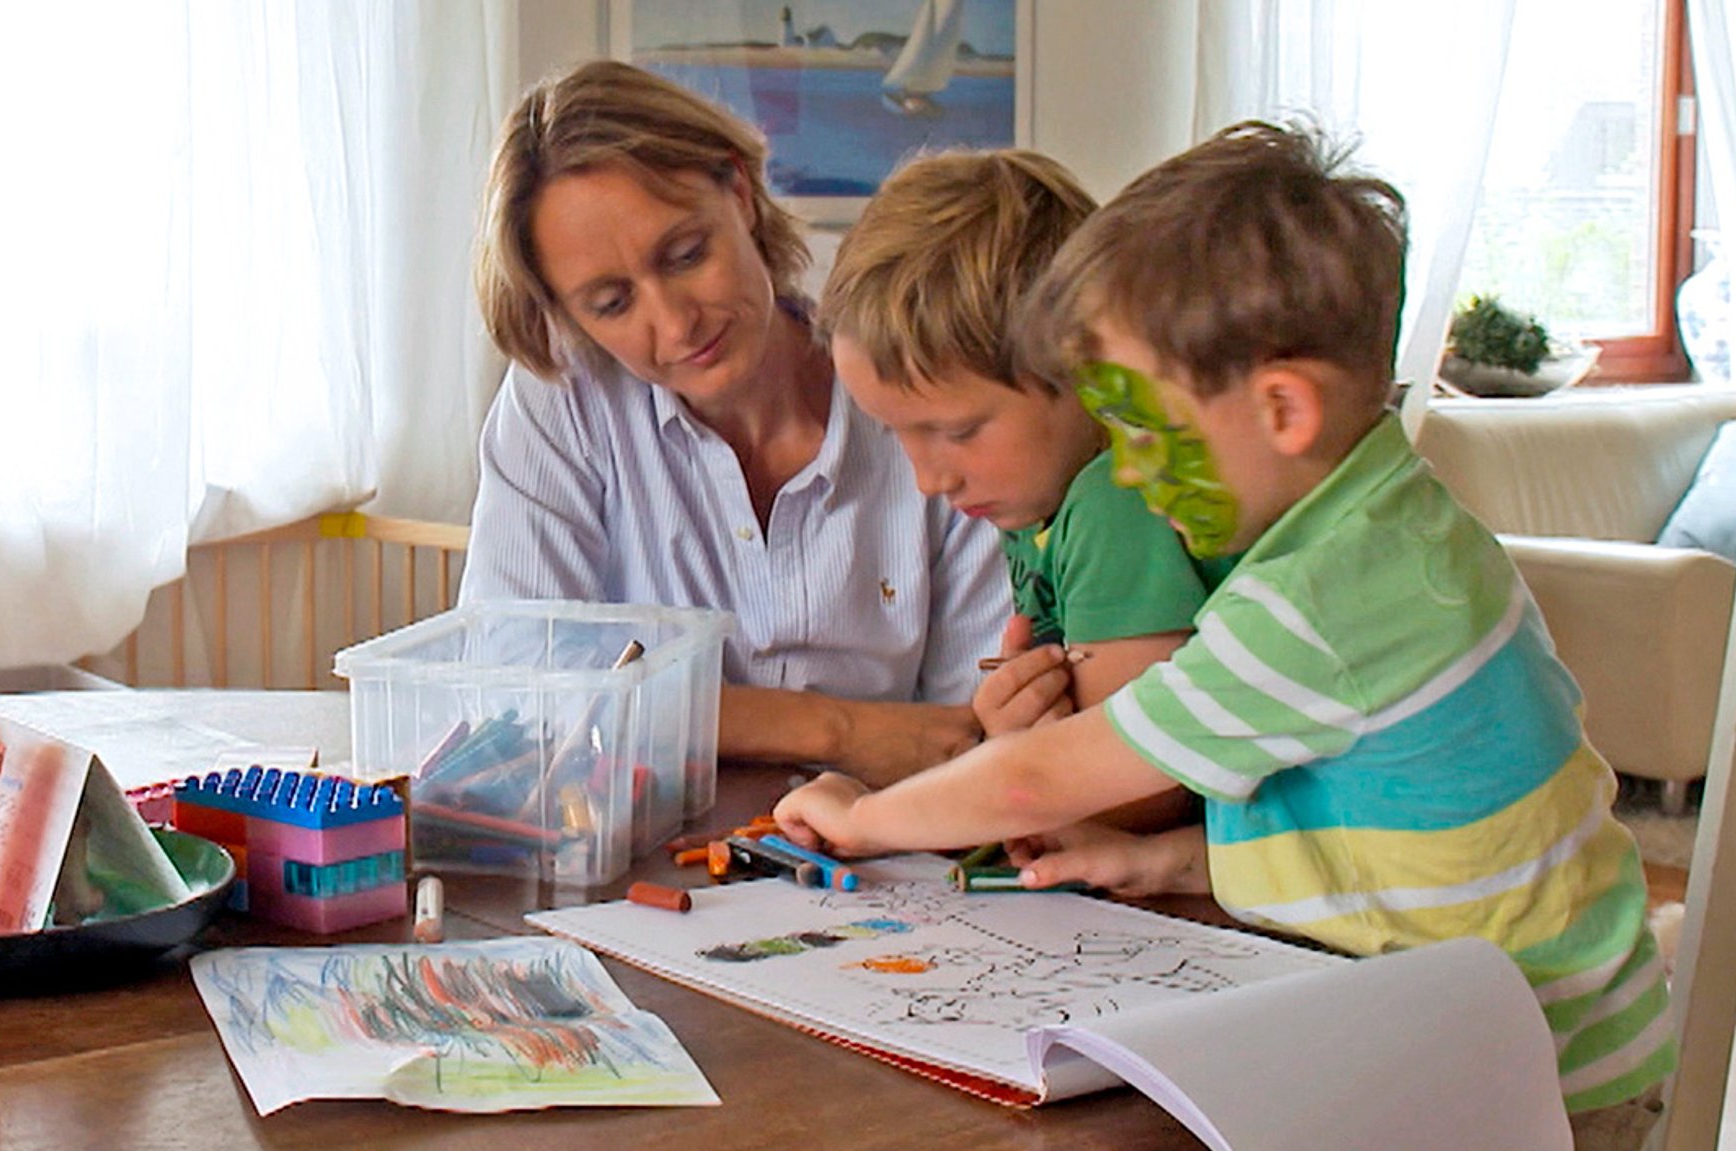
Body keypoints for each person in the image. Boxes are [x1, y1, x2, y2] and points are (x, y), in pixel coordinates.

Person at [774, 121, 1675, 1141]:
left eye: (1145, 429)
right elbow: (1391, 818)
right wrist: (1172, 866)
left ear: (1281, 408)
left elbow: (1044, 775)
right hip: (1521, 1019)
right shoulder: (1383, 528)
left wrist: (866, 818)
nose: (1128, 471)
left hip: (1533, 1077)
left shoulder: (1316, 598)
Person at [462, 60, 1010, 785]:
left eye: (687, 255)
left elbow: (966, 732)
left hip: (891, 847)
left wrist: (660, 713)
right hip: (647, 851)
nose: (676, 322)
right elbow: (515, 687)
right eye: (611, 304)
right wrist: (836, 729)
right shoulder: (562, 395)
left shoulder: (925, 389)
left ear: (741, 194)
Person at [819, 147, 1224, 829]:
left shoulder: (1114, 501)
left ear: (1081, 369)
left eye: (959, 430)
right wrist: (1019, 732)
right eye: (899, 436)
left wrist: (873, 814)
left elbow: (1140, 794)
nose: (928, 479)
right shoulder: (1034, 510)